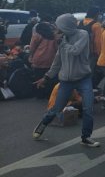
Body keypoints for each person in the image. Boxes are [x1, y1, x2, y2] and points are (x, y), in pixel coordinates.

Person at [32, 13, 100, 147]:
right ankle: (43, 123)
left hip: (83, 78)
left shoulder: (82, 34)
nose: (57, 29)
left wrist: (62, 42)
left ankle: (86, 137)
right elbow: (57, 62)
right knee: (57, 108)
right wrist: (46, 77)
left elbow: (75, 51)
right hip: (66, 81)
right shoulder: (63, 39)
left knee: (88, 108)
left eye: (59, 26)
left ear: (66, 26)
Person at [29, 20, 58, 99]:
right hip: (50, 59)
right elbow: (56, 48)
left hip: (38, 58)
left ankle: (39, 94)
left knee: (38, 76)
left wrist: (30, 56)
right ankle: (48, 94)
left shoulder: (37, 35)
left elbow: (32, 48)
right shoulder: (53, 36)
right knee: (48, 76)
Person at [79, 7, 104, 91]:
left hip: (78, 50)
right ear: (96, 14)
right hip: (91, 53)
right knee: (90, 71)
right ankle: (88, 88)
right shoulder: (96, 25)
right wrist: (99, 53)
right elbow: (98, 42)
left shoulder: (79, 23)